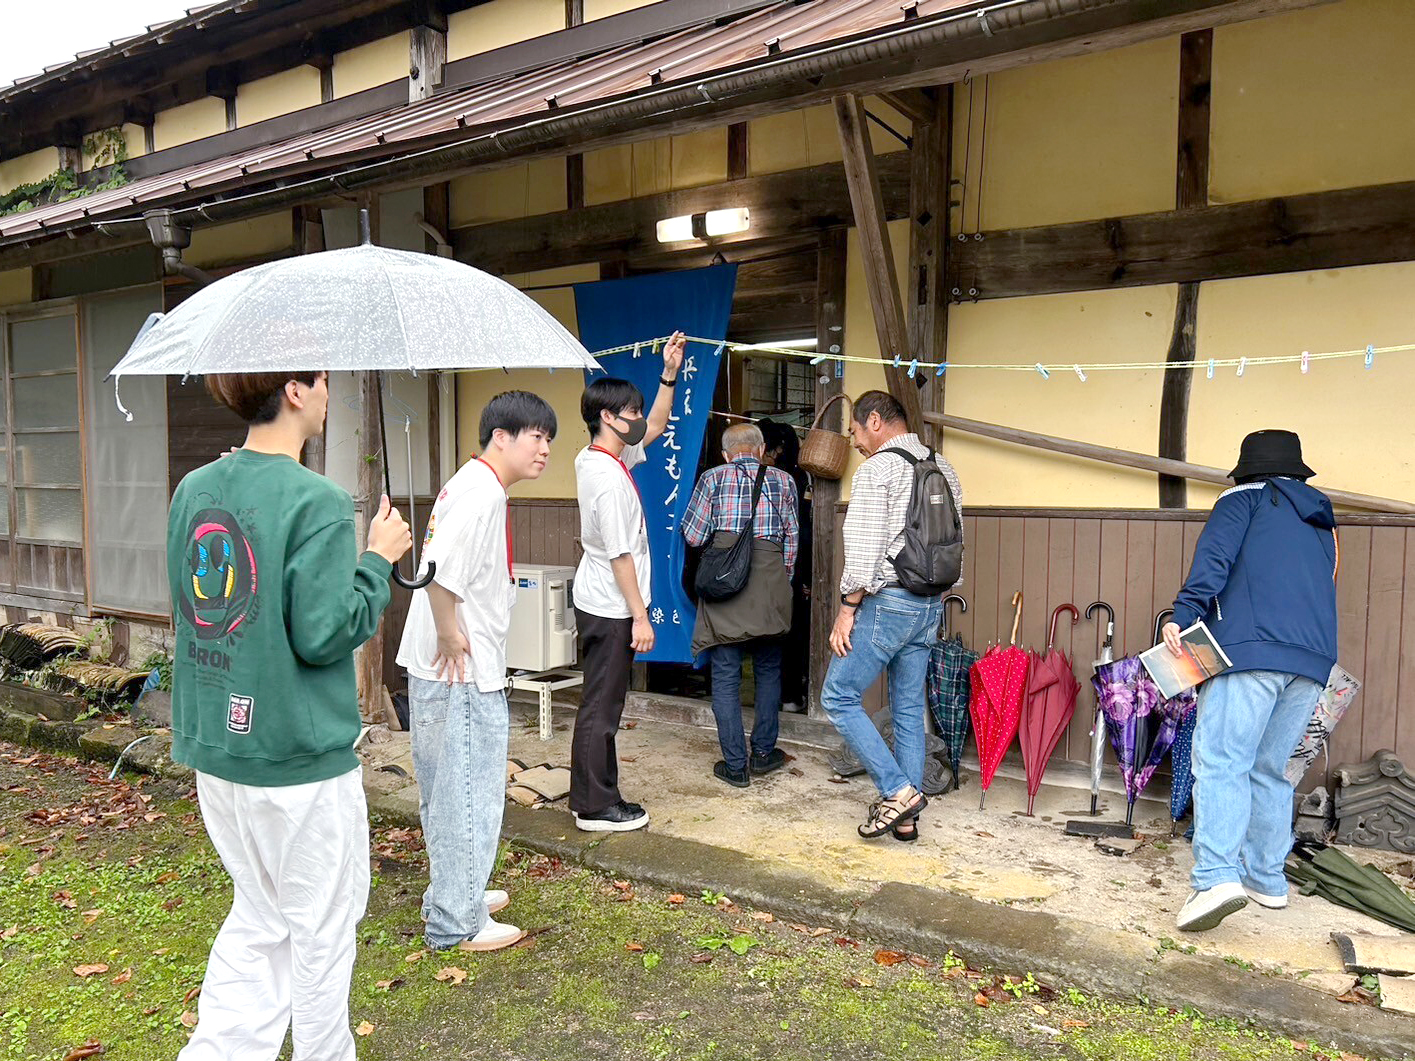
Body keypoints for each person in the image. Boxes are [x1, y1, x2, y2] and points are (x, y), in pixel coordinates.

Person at [168, 370, 412, 1060]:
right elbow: (324, 633)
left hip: (216, 742)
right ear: (296, 390)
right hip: (296, 756)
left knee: (260, 913)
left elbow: (196, 607)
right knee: (321, 929)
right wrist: (377, 561)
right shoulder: (318, 500)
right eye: (324, 380)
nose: (330, 395)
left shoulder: (194, 490)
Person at [396, 391, 556, 953]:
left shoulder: (473, 482)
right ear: (501, 437)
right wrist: (449, 633)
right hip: (459, 668)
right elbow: (439, 574)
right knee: (467, 791)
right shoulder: (483, 491)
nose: (544, 449)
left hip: (447, 665)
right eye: (536, 437)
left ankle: (455, 892)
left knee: (450, 789)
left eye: (548, 439)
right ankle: (457, 920)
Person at [1165, 430, 1337, 932]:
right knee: (1269, 769)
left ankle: (1215, 879)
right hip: (1312, 662)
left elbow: (1214, 561)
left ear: (1248, 469)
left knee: (1222, 761)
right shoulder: (1321, 517)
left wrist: (1183, 614)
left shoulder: (1241, 499)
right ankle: (1266, 878)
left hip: (1249, 651)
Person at [820, 390, 962, 841]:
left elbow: (863, 553)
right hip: (930, 605)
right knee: (907, 708)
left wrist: (847, 609)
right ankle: (908, 820)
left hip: (888, 604)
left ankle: (898, 791)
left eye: (855, 431)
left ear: (875, 421)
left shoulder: (877, 469)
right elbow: (954, 541)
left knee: (838, 696)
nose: (855, 442)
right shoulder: (943, 467)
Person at [570, 332, 686, 831]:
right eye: (630, 412)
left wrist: (669, 374)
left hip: (602, 599)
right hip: (611, 605)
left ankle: (597, 794)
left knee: (602, 702)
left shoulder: (602, 457)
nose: (639, 418)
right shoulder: (607, 478)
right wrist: (641, 616)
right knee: (602, 706)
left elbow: (656, 426)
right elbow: (620, 555)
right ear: (607, 417)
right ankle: (595, 806)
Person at [681, 422, 800, 787]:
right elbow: (792, 541)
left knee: (726, 673)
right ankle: (763, 753)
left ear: (725, 454)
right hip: (770, 586)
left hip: (724, 586)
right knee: (768, 670)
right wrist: (779, 583)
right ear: (761, 450)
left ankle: (735, 766)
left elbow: (693, 536)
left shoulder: (712, 478)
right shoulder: (784, 481)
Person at [759, 418, 812, 713]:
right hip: (790, 566)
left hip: (757, 567)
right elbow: (801, 531)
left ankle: (778, 695)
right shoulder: (797, 477)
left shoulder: (761, 477)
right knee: (791, 630)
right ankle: (790, 695)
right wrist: (801, 575)